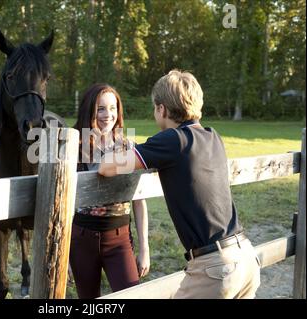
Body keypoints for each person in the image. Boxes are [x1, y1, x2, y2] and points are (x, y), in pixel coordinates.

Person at [98, 70, 261, 299]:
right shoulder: (213, 136)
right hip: (245, 258)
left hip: (215, 267)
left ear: (161, 109)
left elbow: (106, 166)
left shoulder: (173, 140)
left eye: (155, 108)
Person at [69, 83, 150, 299]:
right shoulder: (73, 149)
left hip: (119, 238)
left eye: (113, 108)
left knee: (131, 295)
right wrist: (65, 252)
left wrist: (144, 249)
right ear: (90, 111)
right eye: (101, 109)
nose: (108, 115)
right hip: (81, 239)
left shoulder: (128, 147)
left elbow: (139, 199)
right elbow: (63, 202)